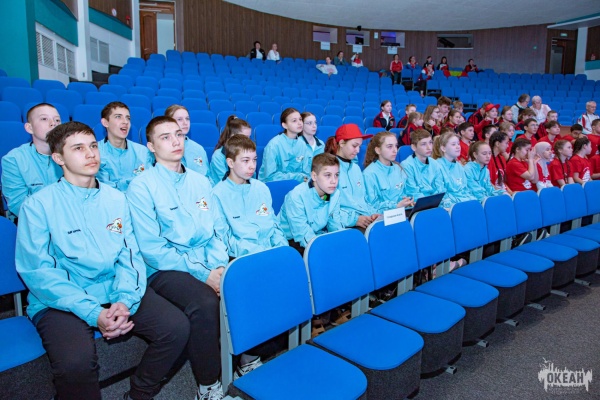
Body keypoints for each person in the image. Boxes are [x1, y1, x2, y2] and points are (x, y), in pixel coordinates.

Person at [16, 121, 191, 400]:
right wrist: (93, 313)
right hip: (60, 300)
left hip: (114, 288)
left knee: (176, 327)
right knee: (75, 363)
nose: (90, 154)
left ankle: (139, 392)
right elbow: (40, 274)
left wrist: (125, 300)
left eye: (93, 146)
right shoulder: (38, 206)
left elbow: (130, 256)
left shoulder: (116, 198)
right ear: (59, 158)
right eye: (78, 148)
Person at [126, 116, 229, 400]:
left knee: (243, 278)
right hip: (164, 267)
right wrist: (204, 274)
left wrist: (219, 265)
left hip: (207, 259)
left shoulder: (200, 181)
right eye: (165, 137)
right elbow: (153, 249)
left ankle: (247, 358)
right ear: (151, 146)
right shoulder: (141, 186)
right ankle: (208, 385)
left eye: (179, 135)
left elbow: (217, 231)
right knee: (204, 302)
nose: (175, 141)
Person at [212, 134, 287, 258]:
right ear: (230, 162)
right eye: (246, 161)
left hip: (271, 251)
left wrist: (282, 248)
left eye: (255, 160)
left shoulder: (261, 188)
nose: (252, 166)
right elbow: (225, 239)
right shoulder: (217, 194)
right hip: (244, 257)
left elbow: (274, 225)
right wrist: (260, 252)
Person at [1, 103, 62, 219]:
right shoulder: (13, 160)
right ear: (29, 128)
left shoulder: (71, 155)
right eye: (44, 119)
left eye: (57, 120)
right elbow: (19, 205)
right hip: (33, 221)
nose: (53, 123)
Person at [278, 153, 343, 254]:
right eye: (328, 175)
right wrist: (324, 249)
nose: (334, 181)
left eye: (336, 175)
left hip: (317, 235)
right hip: (291, 241)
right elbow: (302, 233)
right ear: (314, 176)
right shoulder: (296, 196)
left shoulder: (334, 194)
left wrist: (341, 242)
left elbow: (335, 225)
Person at [324, 124, 379, 230]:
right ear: (341, 143)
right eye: (354, 146)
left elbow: (364, 200)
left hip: (362, 220)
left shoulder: (356, 168)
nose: (358, 150)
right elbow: (326, 207)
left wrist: (373, 214)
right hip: (344, 226)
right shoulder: (328, 170)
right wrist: (354, 220)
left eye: (359, 146)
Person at [96, 102, 151, 192]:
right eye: (118, 117)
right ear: (105, 122)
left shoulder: (142, 152)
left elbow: (147, 182)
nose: (125, 122)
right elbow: (101, 186)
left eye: (128, 118)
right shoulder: (95, 152)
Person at [363, 132, 414, 213]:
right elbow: (372, 205)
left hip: (402, 212)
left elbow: (405, 191)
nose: (395, 150)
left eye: (396, 146)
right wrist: (396, 206)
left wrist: (408, 201)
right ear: (378, 150)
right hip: (383, 216)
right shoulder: (369, 174)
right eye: (390, 146)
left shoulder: (398, 168)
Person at [258, 108, 310, 182]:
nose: (299, 123)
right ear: (284, 125)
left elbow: (306, 173)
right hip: (274, 184)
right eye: (294, 121)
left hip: (296, 184)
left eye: (300, 119)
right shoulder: (274, 145)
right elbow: (270, 176)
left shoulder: (302, 144)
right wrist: (297, 177)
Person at [431, 132, 477, 209]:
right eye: (453, 144)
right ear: (443, 148)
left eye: (458, 144)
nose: (458, 147)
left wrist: (472, 200)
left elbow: (465, 189)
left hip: (462, 202)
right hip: (450, 207)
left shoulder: (459, 166)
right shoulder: (436, 167)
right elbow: (441, 195)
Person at [164, 105, 211, 177]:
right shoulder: (162, 148)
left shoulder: (198, 149)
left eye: (187, 119)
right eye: (179, 119)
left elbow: (208, 177)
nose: (185, 123)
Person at [400, 129, 445, 201]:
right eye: (423, 144)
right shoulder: (407, 165)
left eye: (430, 143)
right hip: (418, 202)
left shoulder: (435, 163)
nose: (429, 147)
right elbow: (412, 192)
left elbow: (440, 187)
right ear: (414, 147)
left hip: (435, 201)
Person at [208, 116, 252, 184]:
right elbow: (225, 183)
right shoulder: (218, 156)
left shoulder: (247, 154)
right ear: (233, 136)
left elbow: (251, 178)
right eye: (244, 137)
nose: (248, 141)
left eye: (249, 138)